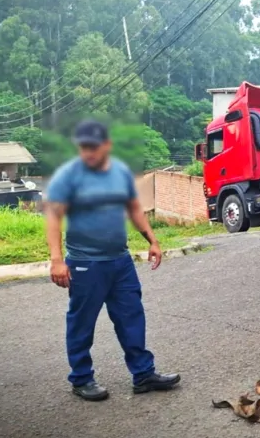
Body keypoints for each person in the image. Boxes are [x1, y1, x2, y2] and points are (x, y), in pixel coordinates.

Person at [45, 119, 181, 401]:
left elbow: (135, 209)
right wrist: (57, 260)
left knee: (132, 317)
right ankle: (81, 378)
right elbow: (53, 218)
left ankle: (143, 374)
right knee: (82, 323)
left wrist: (153, 241)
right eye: (84, 147)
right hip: (85, 263)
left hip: (120, 262)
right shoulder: (69, 176)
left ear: (106, 145)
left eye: (94, 147)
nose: (89, 152)